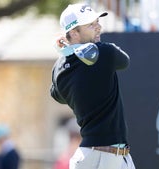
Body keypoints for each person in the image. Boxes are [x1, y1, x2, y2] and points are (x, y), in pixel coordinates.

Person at [50, 3, 135, 169]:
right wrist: (75, 52)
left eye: (97, 22)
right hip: (106, 157)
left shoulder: (59, 68)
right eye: (91, 25)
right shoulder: (104, 53)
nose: (99, 27)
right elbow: (124, 61)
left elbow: (56, 94)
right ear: (74, 33)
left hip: (95, 155)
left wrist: (66, 54)